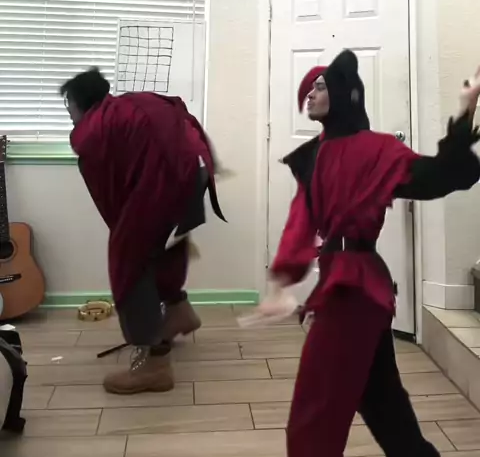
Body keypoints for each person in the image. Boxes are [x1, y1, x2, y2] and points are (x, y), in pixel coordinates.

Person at [257, 50, 480, 457]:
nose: (309, 95)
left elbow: (439, 176)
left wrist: (466, 109)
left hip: (354, 292)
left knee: (315, 411)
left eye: (320, 87)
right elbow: (300, 223)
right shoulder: (313, 156)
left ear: (345, 93)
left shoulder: (377, 150)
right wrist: (279, 283)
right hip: (345, 284)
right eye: (308, 89)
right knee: (382, 402)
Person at [60, 67, 226, 395]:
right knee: (162, 245)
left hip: (170, 176)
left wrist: (126, 238)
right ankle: (178, 311)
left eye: (68, 105)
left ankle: (154, 365)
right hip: (196, 169)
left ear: (78, 103)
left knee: (129, 262)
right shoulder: (129, 105)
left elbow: (111, 198)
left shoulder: (90, 131)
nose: (68, 112)